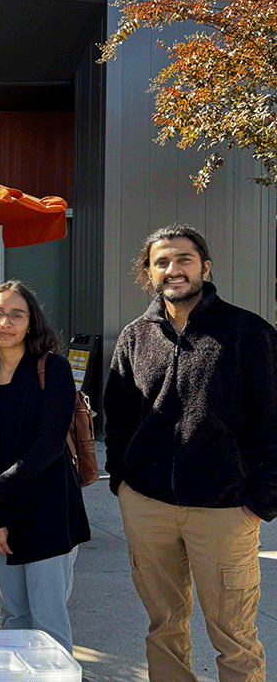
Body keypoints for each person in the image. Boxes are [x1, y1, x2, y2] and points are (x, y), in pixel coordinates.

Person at [104, 224, 275, 682]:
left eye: (183, 259)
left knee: (234, 637)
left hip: (224, 511)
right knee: (164, 628)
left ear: (205, 266)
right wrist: (121, 481)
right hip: (147, 506)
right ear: (148, 272)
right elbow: (117, 417)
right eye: (162, 261)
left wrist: (260, 503)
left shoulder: (247, 333)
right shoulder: (135, 337)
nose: (173, 270)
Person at [0, 280, 89, 653]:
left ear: (32, 323)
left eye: (17, 315)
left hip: (49, 508)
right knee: (14, 617)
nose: (6, 323)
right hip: (1, 512)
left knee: (47, 623)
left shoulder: (54, 369)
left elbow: (48, 446)